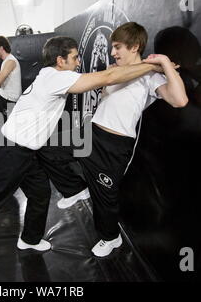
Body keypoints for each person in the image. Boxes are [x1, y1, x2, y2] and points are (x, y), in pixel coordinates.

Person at [0, 36, 173, 268]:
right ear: (60, 60)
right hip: (11, 150)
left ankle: (30, 239)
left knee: (40, 193)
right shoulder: (56, 77)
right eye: (75, 58)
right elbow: (107, 77)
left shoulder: (48, 74)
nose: (78, 62)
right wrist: (155, 65)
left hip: (27, 151)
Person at [54, 22, 188, 258]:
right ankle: (75, 190)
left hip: (114, 146)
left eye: (117, 47)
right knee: (46, 148)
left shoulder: (150, 77)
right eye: (111, 47)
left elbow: (179, 101)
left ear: (135, 46)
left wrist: (165, 64)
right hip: (91, 132)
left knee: (105, 198)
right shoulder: (116, 69)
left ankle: (111, 238)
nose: (112, 52)